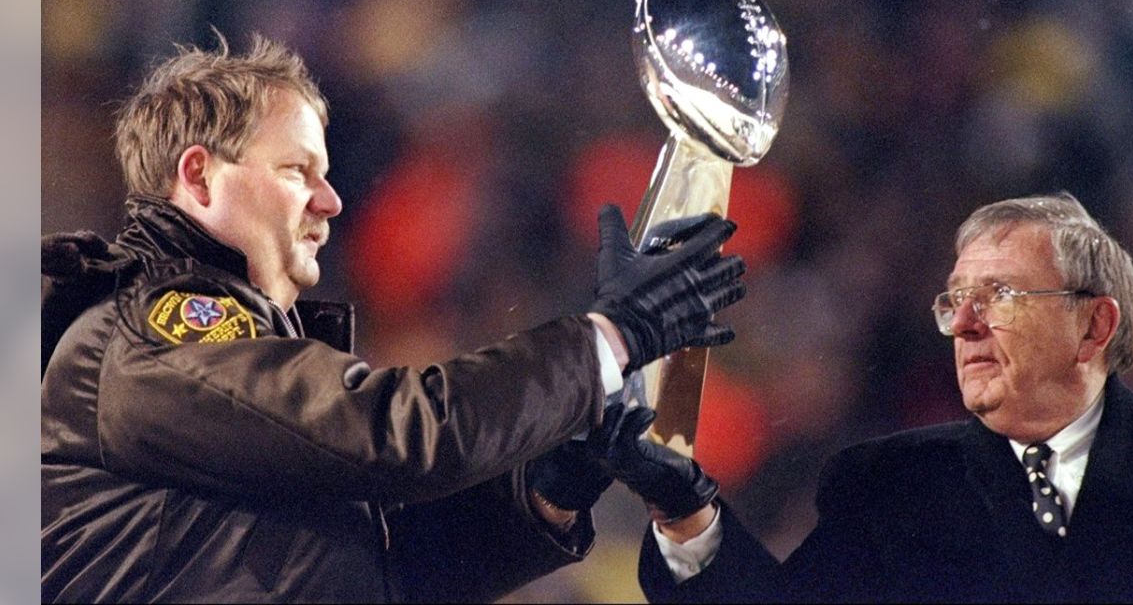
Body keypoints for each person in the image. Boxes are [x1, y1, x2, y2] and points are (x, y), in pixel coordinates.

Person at [40, 32, 747, 603]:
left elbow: (391, 575)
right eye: (297, 171)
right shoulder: (155, 334)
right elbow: (396, 435)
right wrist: (608, 336)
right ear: (198, 176)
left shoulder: (226, 374)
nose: (331, 200)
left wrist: (544, 494)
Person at [595, 192, 1133, 603]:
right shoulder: (888, 489)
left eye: (1001, 296)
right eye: (955, 301)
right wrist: (687, 514)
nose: (964, 325)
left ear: (1094, 326)